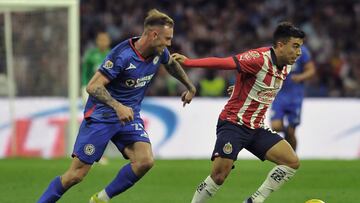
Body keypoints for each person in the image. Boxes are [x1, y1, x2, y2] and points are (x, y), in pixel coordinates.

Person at [38, 9, 196, 203]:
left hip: (129, 116)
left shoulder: (160, 51)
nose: (169, 43)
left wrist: (189, 86)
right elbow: (93, 86)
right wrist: (117, 106)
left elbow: (171, 64)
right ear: (154, 35)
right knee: (75, 175)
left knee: (144, 161)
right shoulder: (122, 55)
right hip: (102, 116)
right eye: (167, 38)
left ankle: (100, 199)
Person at [172, 22, 305, 203]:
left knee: (291, 162)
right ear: (281, 45)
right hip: (233, 124)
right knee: (218, 176)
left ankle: (254, 201)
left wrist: (240, 88)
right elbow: (223, 63)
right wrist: (189, 62)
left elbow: (259, 85)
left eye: (300, 47)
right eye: (295, 46)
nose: (299, 53)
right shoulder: (258, 58)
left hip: (256, 128)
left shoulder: (287, 65)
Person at [270, 45, 315, 151]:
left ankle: (292, 160)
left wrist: (301, 77)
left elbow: (311, 70)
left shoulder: (302, 50)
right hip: (279, 94)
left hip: (295, 96)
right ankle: (287, 134)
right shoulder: (275, 50)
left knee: (292, 131)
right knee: (275, 126)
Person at [82, 31, 112, 165]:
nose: (102, 42)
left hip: (108, 95)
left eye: (105, 40)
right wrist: (83, 87)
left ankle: (99, 154)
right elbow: (85, 73)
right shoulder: (91, 55)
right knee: (92, 122)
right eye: (100, 40)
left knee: (104, 125)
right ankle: (87, 152)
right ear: (97, 41)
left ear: (108, 41)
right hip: (92, 94)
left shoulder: (113, 54)